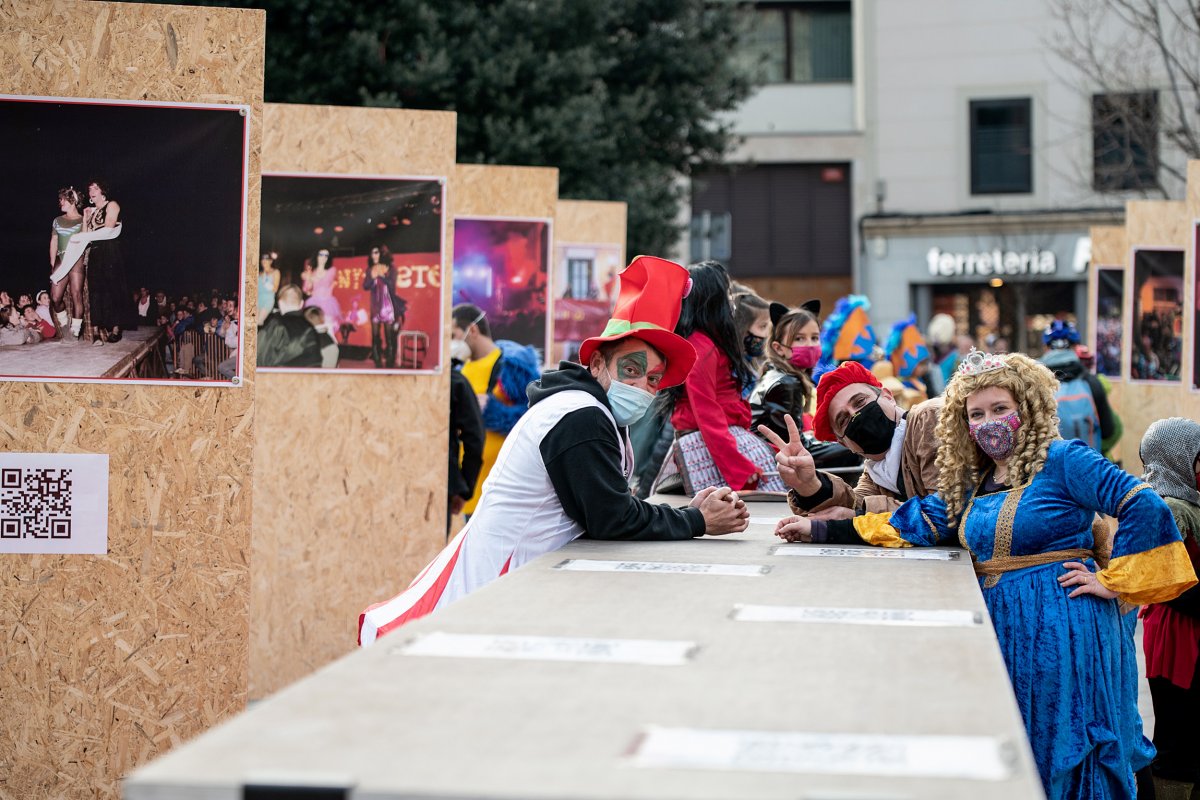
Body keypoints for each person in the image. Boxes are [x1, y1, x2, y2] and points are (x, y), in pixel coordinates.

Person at [772, 351, 1197, 800]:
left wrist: (1115, 580)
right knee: (1021, 745)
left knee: (1064, 743)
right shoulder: (971, 480)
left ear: (1025, 409)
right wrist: (818, 527)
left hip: (1065, 632)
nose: (988, 422)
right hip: (1004, 632)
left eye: (1000, 409)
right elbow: (914, 522)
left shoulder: (1064, 460)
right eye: (976, 414)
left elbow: (1140, 501)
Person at [359, 256, 750, 644]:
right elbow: (612, 518)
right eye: (631, 371)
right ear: (598, 362)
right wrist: (696, 520)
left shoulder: (587, 406)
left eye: (652, 379)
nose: (643, 388)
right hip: (491, 592)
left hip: (507, 586)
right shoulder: (581, 415)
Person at [658, 261, 785, 494]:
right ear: (712, 300)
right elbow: (707, 414)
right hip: (712, 445)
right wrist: (739, 469)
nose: (731, 301)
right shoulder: (702, 348)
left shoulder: (707, 343)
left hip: (718, 442)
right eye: (725, 294)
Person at [768, 360, 943, 517]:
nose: (856, 415)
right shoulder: (875, 474)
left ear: (888, 397)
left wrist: (858, 516)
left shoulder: (926, 419)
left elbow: (942, 511)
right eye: (843, 419)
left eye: (860, 402)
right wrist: (810, 484)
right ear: (844, 443)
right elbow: (852, 503)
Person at [1138, 418, 1200, 800]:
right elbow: (1162, 582)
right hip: (1177, 630)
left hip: (1184, 625)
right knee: (1180, 734)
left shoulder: (1187, 503)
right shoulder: (1168, 509)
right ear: (1176, 459)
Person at [451, 303, 542, 517]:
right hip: (471, 489)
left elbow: (536, 418)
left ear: (471, 330)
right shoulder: (458, 370)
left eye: (454, 335)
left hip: (507, 491)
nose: (451, 343)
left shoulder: (512, 366)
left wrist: (493, 412)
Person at [1041, 320, 1114, 452]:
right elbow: (1109, 430)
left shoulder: (1034, 384)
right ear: (1076, 347)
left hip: (1048, 467)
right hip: (1088, 467)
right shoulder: (1092, 383)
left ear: (1046, 348)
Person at [82, 179, 132, 345]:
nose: (91, 191)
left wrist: (91, 231)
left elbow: (109, 227)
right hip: (95, 251)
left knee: (113, 288)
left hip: (110, 249)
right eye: (90, 189)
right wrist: (85, 218)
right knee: (95, 290)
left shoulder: (112, 205)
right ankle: (96, 332)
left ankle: (116, 328)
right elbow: (85, 235)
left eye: (95, 188)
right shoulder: (93, 211)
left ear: (103, 190)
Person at [448, 340, 485, 534]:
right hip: (442, 484)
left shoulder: (455, 382)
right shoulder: (455, 381)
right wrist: (464, 487)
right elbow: (475, 437)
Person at [47, 186, 85, 339]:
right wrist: (52, 264)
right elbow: (54, 242)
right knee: (55, 298)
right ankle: (64, 325)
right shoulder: (57, 220)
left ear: (72, 201)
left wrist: (88, 220)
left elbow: (86, 238)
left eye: (62, 199)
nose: (60, 202)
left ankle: (75, 332)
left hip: (76, 259)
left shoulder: (83, 220)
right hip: (61, 260)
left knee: (77, 295)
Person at [362, 245, 406, 369]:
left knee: (390, 336)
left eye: (376, 252)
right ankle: (377, 360)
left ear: (382, 254)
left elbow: (392, 286)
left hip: (388, 306)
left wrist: (381, 275)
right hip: (375, 305)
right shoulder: (370, 269)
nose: (374, 255)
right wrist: (372, 277)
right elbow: (365, 286)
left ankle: (390, 362)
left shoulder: (391, 269)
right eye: (372, 253)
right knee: (375, 335)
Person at [258, 284, 322, 368]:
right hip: (308, 379)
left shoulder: (275, 325)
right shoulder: (310, 327)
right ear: (302, 303)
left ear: (280, 303)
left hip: (277, 379)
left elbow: (258, 358)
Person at [731, 290, 771, 397]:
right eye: (763, 326)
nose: (768, 334)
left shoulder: (751, 364)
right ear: (742, 329)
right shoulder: (733, 372)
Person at [302, 249, 341, 330]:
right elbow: (306, 289)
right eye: (321, 255)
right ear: (317, 256)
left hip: (327, 303)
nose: (324, 257)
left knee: (328, 329)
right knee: (314, 329)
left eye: (326, 255)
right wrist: (308, 279)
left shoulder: (331, 271)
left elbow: (325, 282)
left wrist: (309, 277)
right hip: (314, 302)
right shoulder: (311, 272)